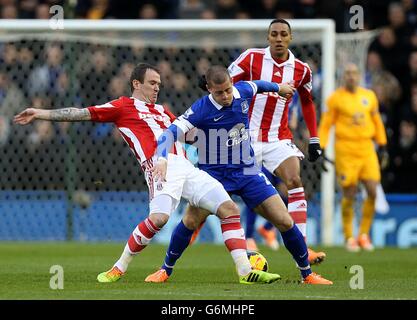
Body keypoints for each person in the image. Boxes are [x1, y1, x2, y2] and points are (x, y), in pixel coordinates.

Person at [14, 63, 282, 285]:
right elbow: (80, 114)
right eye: (153, 83)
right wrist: (41, 113)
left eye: (159, 84)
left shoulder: (165, 111)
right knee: (160, 218)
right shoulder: (122, 107)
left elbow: (188, 134)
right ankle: (119, 267)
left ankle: (246, 272)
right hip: (159, 167)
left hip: (187, 167)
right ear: (136, 84)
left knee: (228, 209)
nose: (157, 87)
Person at [147, 65, 333, 285]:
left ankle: (307, 274)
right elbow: (169, 134)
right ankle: (165, 270)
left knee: (284, 219)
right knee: (190, 220)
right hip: (214, 176)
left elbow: (260, 86)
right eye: (219, 92)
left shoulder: (242, 90)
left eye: (227, 89)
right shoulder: (200, 110)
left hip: (247, 171)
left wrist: (279, 87)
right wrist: (161, 158)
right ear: (208, 89)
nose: (226, 96)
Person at [224, 18, 325, 264]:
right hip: (245, 139)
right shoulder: (251, 58)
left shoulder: (301, 69)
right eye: (274, 34)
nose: (279, 38)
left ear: (290, 38)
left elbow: (308, 103)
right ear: (268, 37)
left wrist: (314, 138)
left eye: (283, 34)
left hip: (278, 138)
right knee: (223, 195)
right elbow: (226, 82)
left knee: (294, 179)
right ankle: (191, 232)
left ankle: (302, 247)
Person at [318, 63, 388, 252]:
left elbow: (377, 121)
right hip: (345, 150)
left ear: (359, 76)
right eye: (348, 73)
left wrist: (382, 144)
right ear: (343, 76)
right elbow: (325, 125)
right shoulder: (335, 99)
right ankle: (350, 237)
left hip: (366, 149)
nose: (351, 76)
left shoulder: (369, 96)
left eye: (354, 73)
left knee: (373, 190)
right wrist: (321, 147)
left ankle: (364, 235)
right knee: (349, 192)